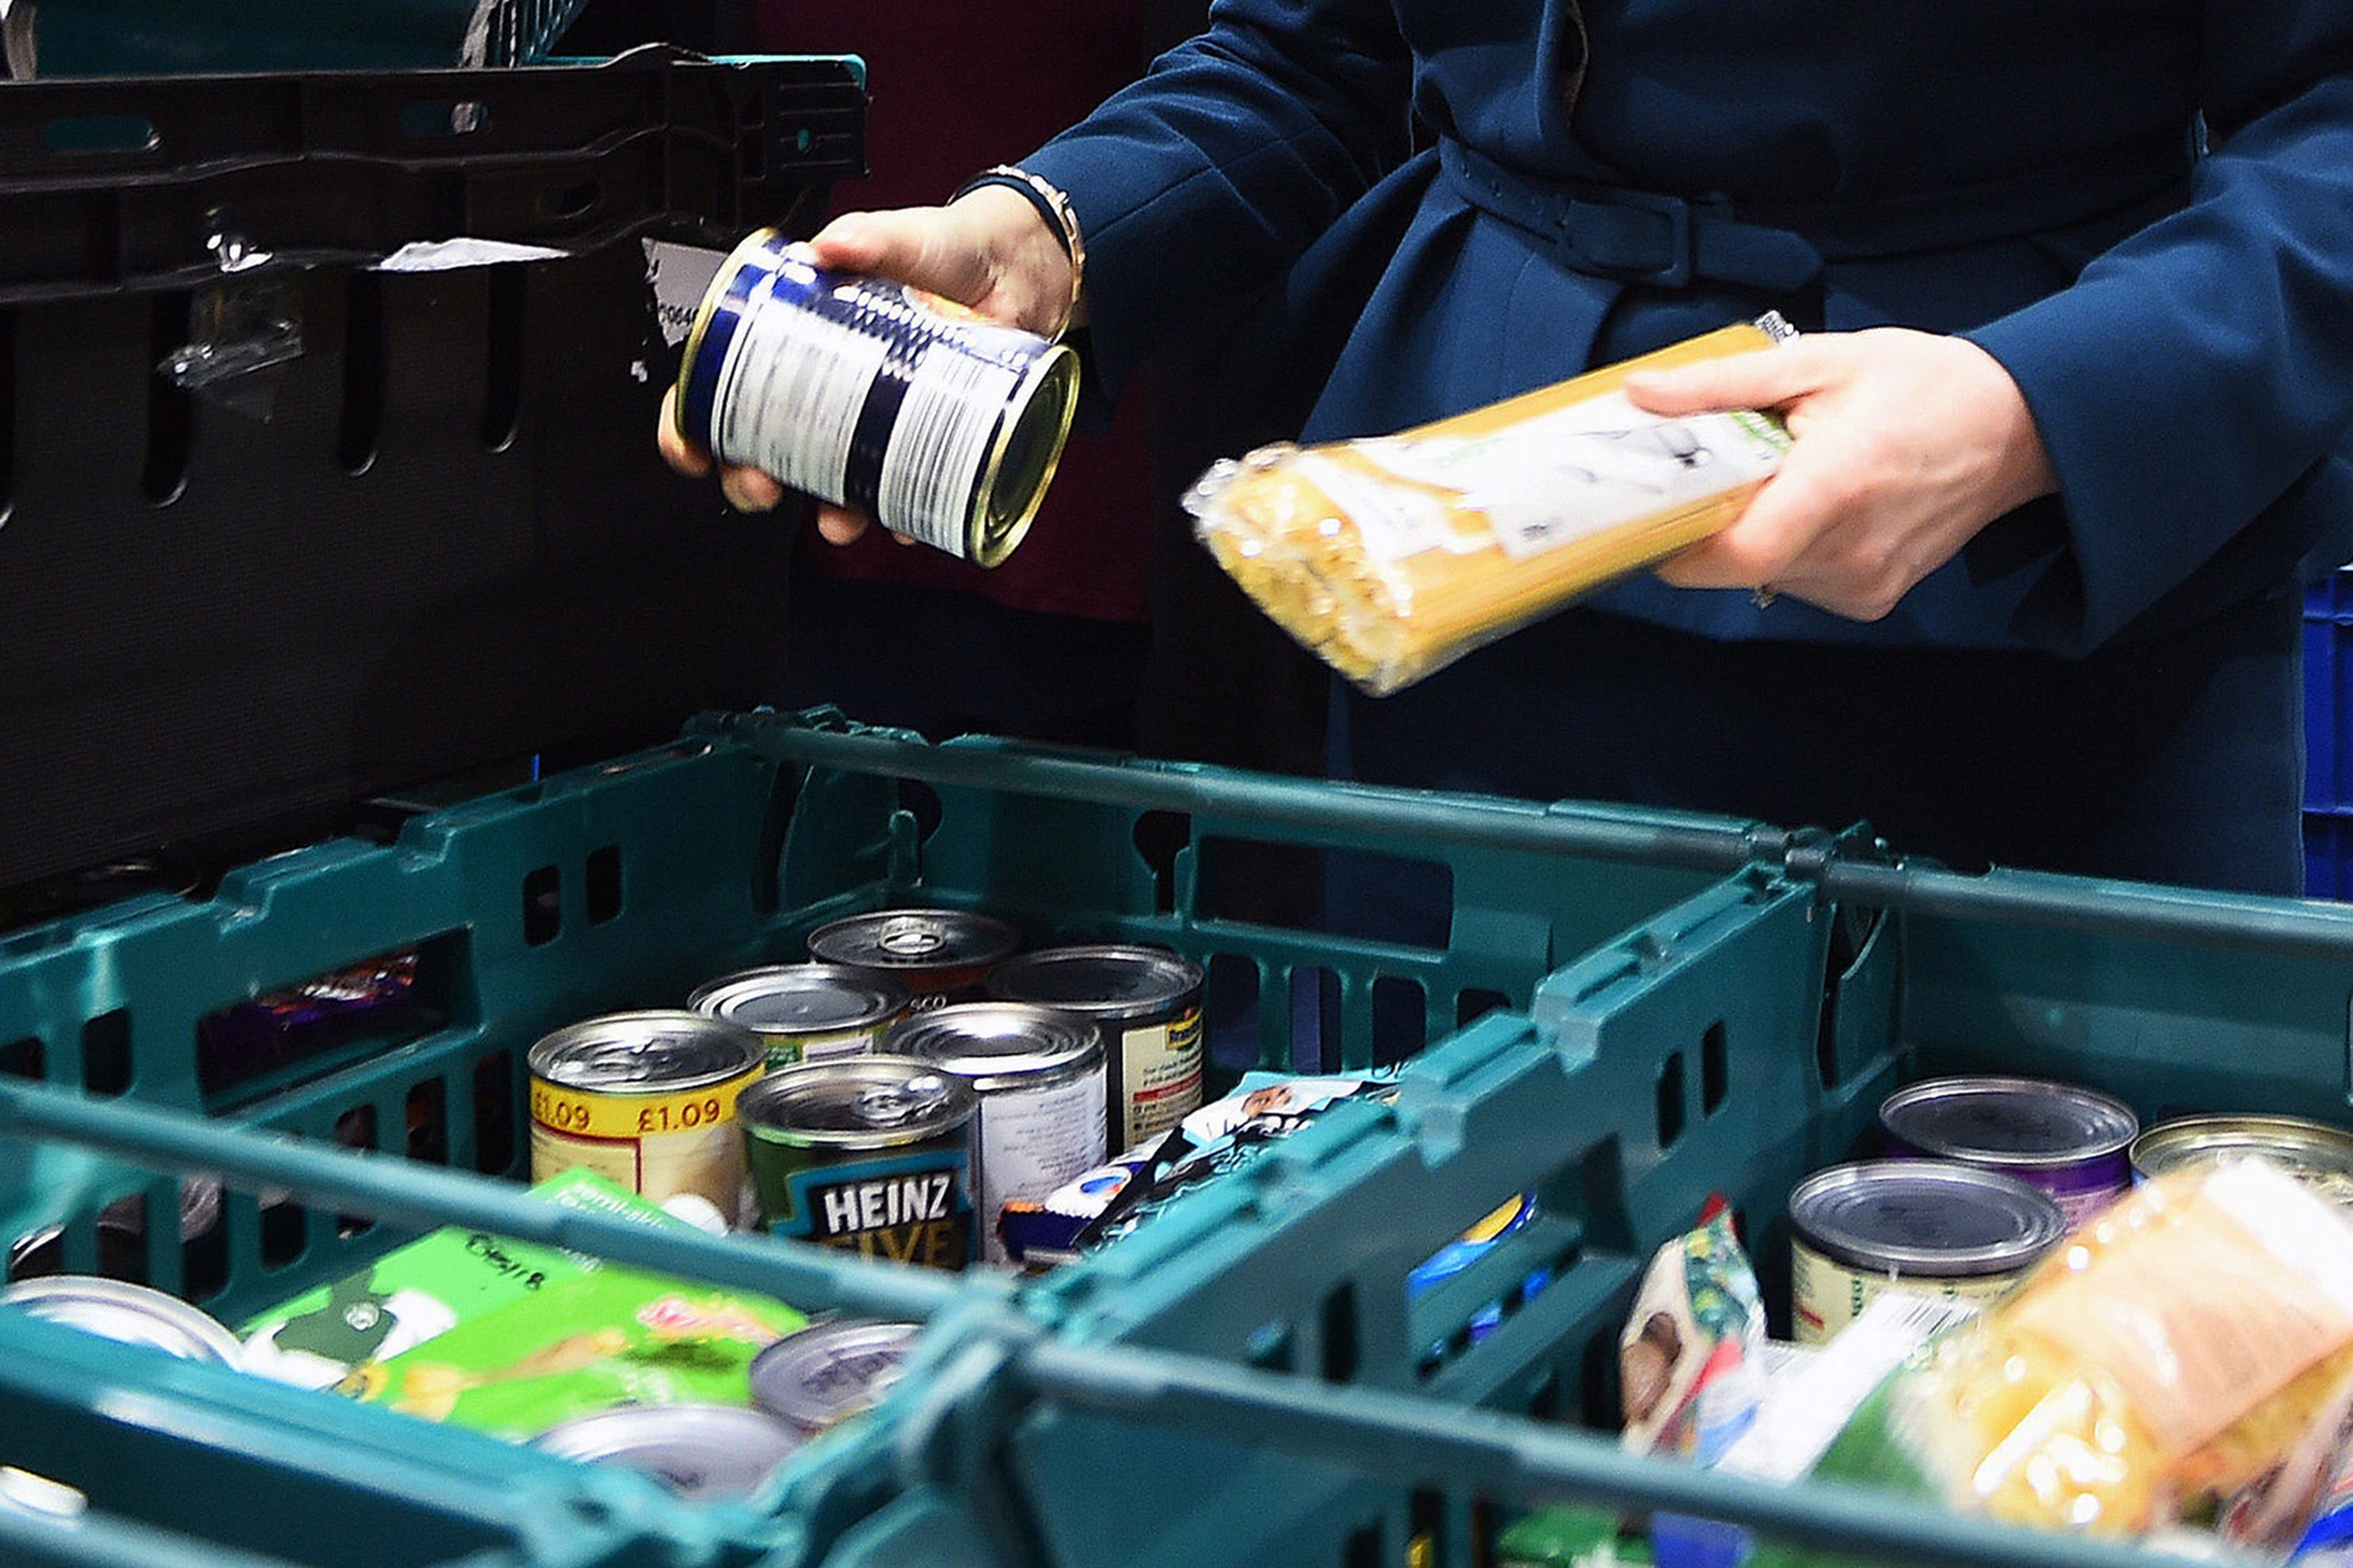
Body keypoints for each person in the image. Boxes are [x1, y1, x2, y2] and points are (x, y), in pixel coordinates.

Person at [663, 0, 2353, 898]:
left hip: (2038, 618)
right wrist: (1047, 235)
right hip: (1469, 595)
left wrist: (2036, 408)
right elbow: (1320, 50)